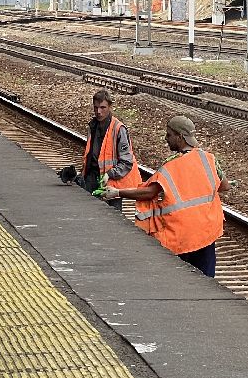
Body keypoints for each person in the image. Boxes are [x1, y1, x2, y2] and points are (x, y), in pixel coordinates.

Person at [104, 114, 230, 277]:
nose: (166, 138)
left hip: (182, 234)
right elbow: (225, 186)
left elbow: (149, 192)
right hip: (206, 232)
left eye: (169, 135)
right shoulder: (209, 159)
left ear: (180, 137)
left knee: (183, 279)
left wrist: (117, 192)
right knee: (206, 280)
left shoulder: (172, 165)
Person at [59, 90, 137, 201]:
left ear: (110, 107)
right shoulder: (92, 126)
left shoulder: (118, 129)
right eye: (95, 108)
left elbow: (127, 162)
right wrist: (79, 175)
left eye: (102, 107)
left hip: (111, 185)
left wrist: (109, 174)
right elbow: (90, 156)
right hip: (91, 179)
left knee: (110, 212)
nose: (98, 111)